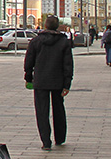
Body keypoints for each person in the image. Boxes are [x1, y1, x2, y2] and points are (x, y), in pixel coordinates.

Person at [24, 15, 74, 150]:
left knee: (42, 111)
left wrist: (28, 77)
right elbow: (68, 64)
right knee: (59, 109)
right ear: (57, 27)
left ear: (45, 25)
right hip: (58, 81)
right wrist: (67, 84)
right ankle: (60, 138)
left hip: (40, 81)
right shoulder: (64, 42)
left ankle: (46, 141)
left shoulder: (36, 41)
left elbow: (29, 61)